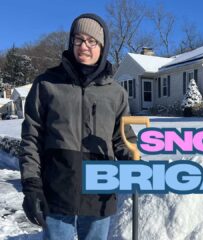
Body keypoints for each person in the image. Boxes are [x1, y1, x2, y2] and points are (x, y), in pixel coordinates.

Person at [19, 13, 136, 240]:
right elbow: (31, 138)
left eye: (92, 41)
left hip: (100, 193)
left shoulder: (116, 93)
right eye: (79, 39)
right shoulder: (47, 84)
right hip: (57, 191)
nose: (85, 46)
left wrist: (135, 164)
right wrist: (31, 185)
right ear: (71, 42)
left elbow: (123, 139)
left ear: (102, 47)